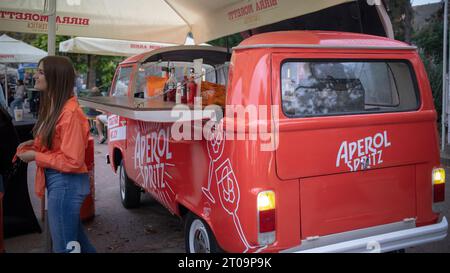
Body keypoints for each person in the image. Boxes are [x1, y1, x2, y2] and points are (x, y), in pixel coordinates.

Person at [15, 56, 96, 253]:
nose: (35, 75)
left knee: (65, 248)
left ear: (55, 77)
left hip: (66, 184)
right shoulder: (57, 107)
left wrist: (36, 156)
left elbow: (72, 160)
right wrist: (35, 144)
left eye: (41, 72)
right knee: (77, 244)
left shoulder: (69, 113)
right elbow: (60, 144)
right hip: (61, 183)